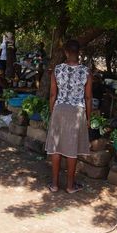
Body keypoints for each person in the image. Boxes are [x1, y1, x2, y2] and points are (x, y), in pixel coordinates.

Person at [46, 39, 92, 193]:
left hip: (59, 109)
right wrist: (88, 118)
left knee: (56, 147)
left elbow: (53, 94)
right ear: (79, 53)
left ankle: (54, 185)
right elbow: (88, 98)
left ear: (66, 52)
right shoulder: (86, 72)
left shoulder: (57, 70)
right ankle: (71, 186)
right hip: (77, 112)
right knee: (72, 149)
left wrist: (53, 112)